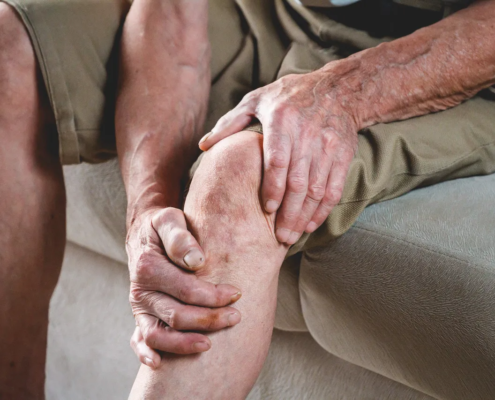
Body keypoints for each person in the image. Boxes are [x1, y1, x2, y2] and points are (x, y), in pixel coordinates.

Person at [1, 0, 494, 398]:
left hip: (460, 50)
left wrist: (338, 93)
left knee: (249, 172)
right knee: (8, 48)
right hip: (281, 13)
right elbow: (172, 12)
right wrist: (148, 210)